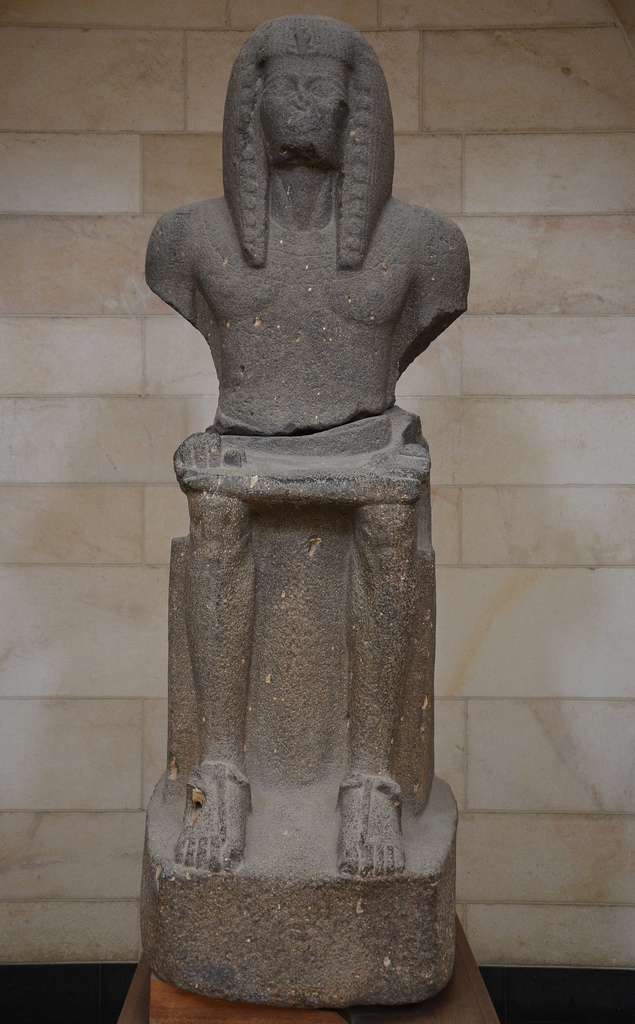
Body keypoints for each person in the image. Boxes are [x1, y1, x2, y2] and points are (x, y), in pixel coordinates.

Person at [146, 15, 469, 877]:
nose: (297, 104)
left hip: (369, 447)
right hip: (242, 450)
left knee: (390, 516)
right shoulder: (187, 240)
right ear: (248, 110)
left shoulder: (424, 246)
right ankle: (222, 770)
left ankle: (370, 783)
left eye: (315, 87)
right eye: (279, 87)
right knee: (215, 515)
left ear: (353, 111)